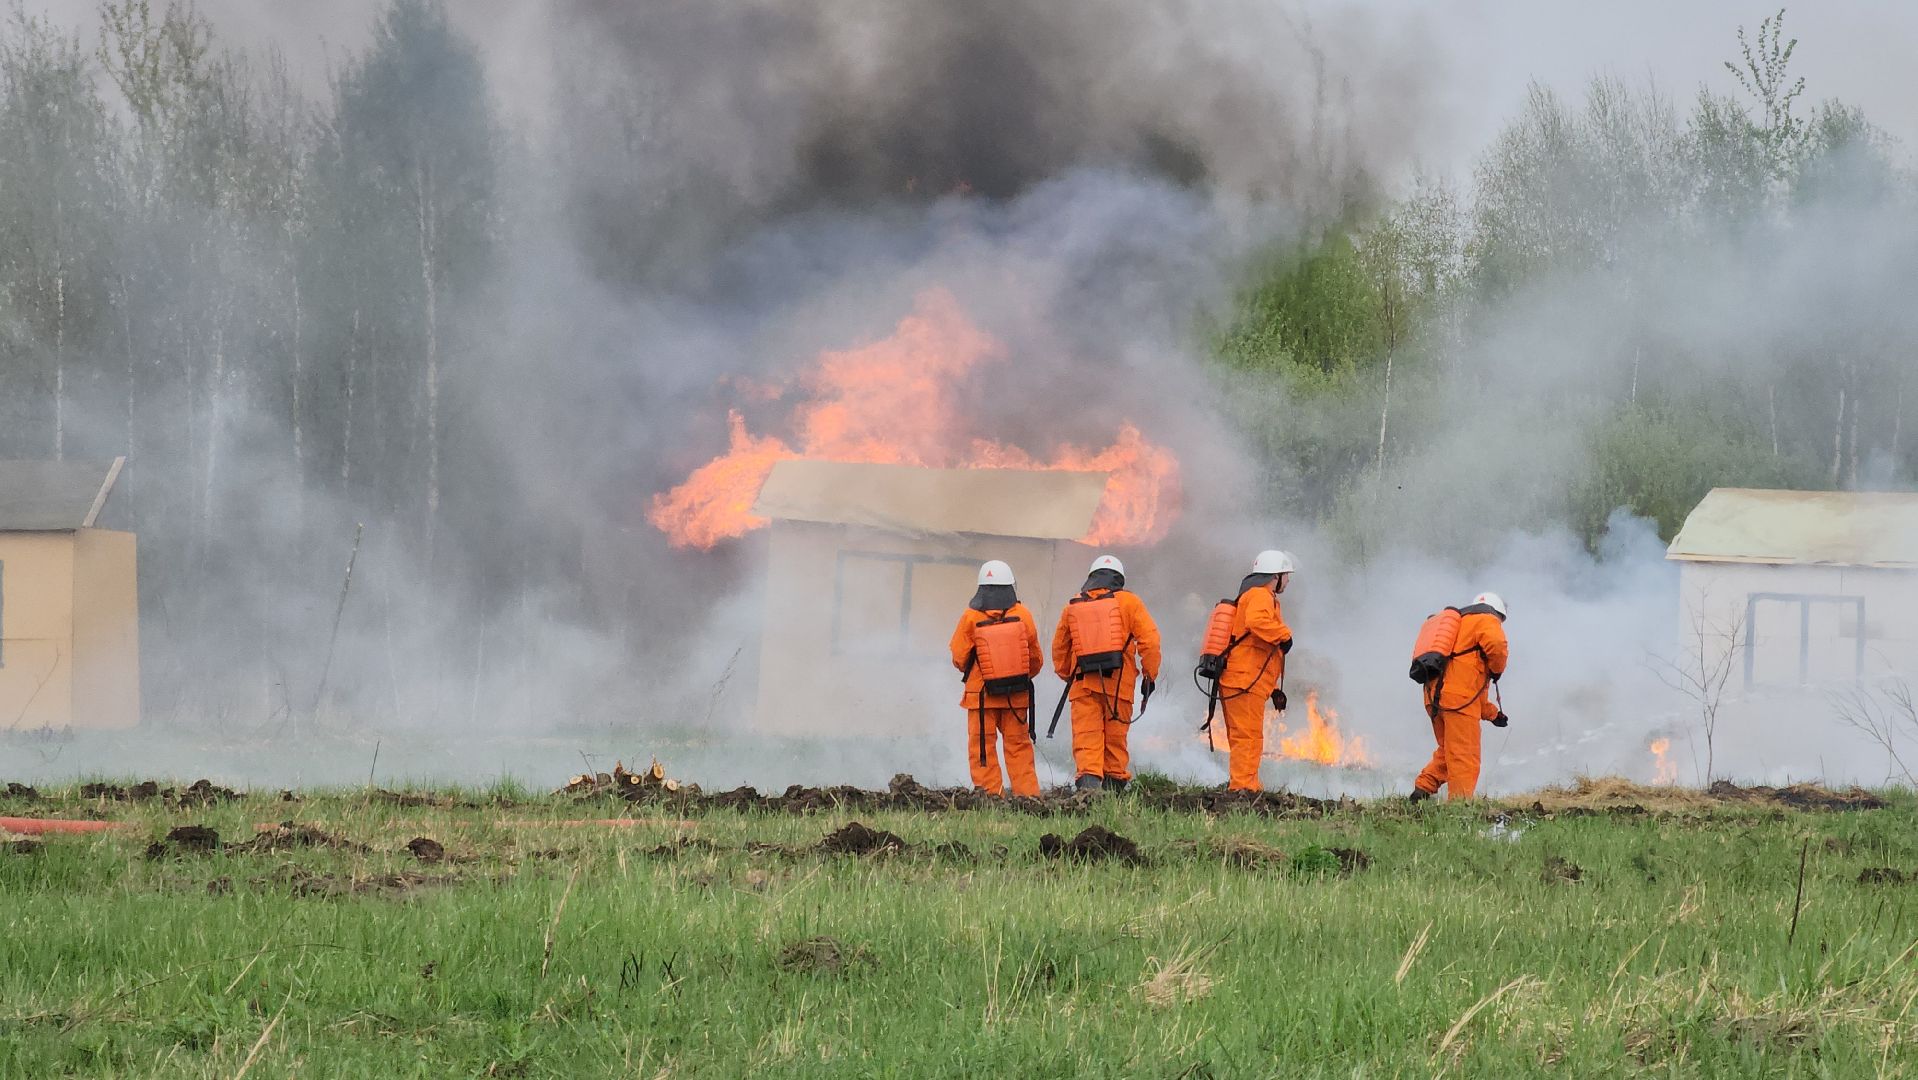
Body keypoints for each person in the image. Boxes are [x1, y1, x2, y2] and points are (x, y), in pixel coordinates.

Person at [1050, 555, 1161, 793]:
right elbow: (1150, 641)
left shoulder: (1073, 605)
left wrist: (1065, 673)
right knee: (1115, 741)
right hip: (1119, 685)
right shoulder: (1130, 603)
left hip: (1082, 685)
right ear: (1119, 579)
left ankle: (1088, 792)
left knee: (1087, 738)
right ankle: (1114, 791)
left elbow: (1060, 646)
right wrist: (1150, 675)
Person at [949, 560, 1045, 797]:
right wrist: (1017, 678)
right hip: (1016, 696)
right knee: (1019, 747)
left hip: (981, 698)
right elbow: (1035, 658)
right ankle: (1029, 797)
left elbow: (959, 657)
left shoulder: (970, 616)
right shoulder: (1023, 615)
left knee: (983, 748)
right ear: (1011, 585)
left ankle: (991, 796)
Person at [1411, 592, 1510, 802]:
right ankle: (1460, 807)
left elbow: (1474, 694)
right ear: (1498, 613)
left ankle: (1422, 789)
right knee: (1465, 755)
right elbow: (1497, 646)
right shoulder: (1486, 618)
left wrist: (1493, 715)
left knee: (1449, 749)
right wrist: (1497, 669)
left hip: (1434, 698)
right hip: (1457, 701)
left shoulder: (1459, 629)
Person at [1215, 550, 1295, 792]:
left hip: (1240, 679)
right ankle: (1243, 789)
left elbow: (1255, 650)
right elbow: (1256, 622)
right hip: (1244, 681)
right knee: (1248, 738)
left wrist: (1273, 689)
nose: (1288, 581)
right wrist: (1284, 636)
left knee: (1243, 737)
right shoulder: (1261, 595)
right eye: (1286, 576)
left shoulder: (1250, 595)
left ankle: (1244, 784)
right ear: (1275, 576)